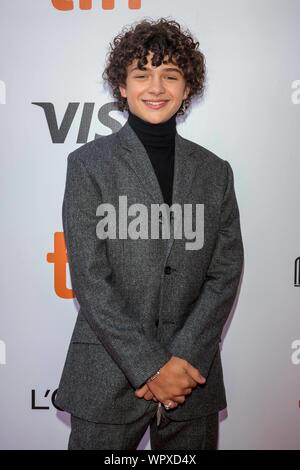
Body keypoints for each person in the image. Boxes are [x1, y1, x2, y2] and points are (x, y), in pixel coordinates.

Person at [55, 17, 244, 450]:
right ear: (122, 86)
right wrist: (151, 366)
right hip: (107, 375)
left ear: (187, 88)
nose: (156, 87)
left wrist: (183, 362)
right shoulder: (88, 165)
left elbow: (225, 271)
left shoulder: (215, 173)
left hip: (191, 381)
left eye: (170, 75)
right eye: (142, 74)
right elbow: (90, 278)